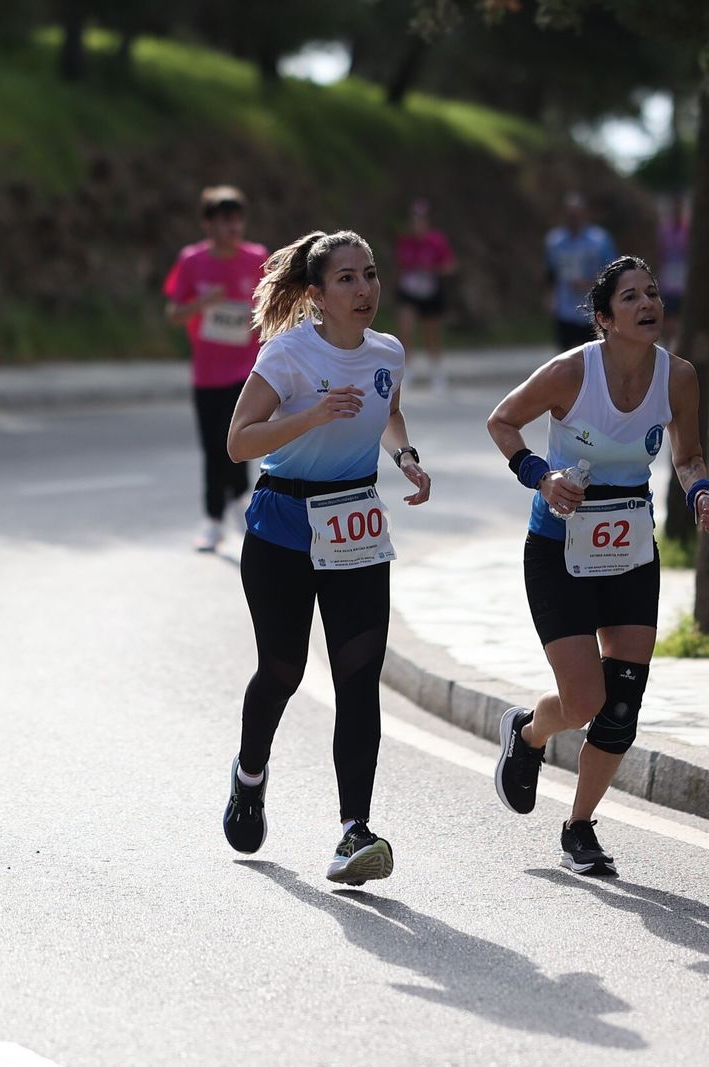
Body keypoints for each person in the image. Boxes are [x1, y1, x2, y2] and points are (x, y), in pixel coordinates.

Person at [487, 255, 709, 876]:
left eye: (653, 293)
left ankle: (580, 827)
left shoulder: (678, 378)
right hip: (559, 552)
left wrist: (702, 492)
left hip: (629, 553)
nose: (648, 304)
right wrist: (541, 477)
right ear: (604, 318)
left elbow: (689, 455)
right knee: (583, 700)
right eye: (631, 297)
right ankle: (530, 732)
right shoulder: (573, 372)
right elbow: (503, 421)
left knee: (622, 704)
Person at [221, 229, 432, 885]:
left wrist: (406, 457)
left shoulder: (388, 352)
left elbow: (387, 409)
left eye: (369, 274)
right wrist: (309, 417)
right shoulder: (288, 356)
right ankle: (249, 773)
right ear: (315, 294)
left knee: (358, 677)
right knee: (282, 670)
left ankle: (353, 831)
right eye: (346, 278)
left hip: (355, 524)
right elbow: (238, 442)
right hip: (284, 522)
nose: (364, 289)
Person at [164, 186, 269, 552]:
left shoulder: (257, 257)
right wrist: (202, 303)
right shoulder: (192, 261)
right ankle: (212, 520)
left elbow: (272, 307)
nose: (234, 227)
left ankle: (240, 501)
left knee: (239, 441)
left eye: (238, 219)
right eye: (226, 221)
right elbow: (174, 313)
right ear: (208, 224)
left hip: (248, 372)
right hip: (207, 373)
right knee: (213, 448)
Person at [394, 198, 458, 393]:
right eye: (414, 220)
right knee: (405, 328)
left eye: (421, 219)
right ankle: (408, 372)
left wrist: (433, 269)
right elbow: (400, 265)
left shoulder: (436, 241)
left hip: (430, 291)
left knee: (431, 333)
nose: (418, 224)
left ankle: (437, 373)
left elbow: (450, 266)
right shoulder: (405, 241)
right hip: (410, 291)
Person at [545, 193, 617, 353]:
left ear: (584, 214)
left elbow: (612, 272)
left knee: (593, 355)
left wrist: (590, 282)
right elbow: (550, 273)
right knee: (564, 356)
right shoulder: (555, 241)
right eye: (570, 215)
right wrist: (550, 298)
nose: (573, 218)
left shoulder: (599, 240)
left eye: (576, 214)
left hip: (590, 307)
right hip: (564, 306)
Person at [654, 199, 689, 348]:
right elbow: (659, 254)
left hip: (683, 281)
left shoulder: (688, 230)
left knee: (680, 319)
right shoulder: (664, 230)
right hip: (668, 281)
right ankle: (669, 347)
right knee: (668, 318)